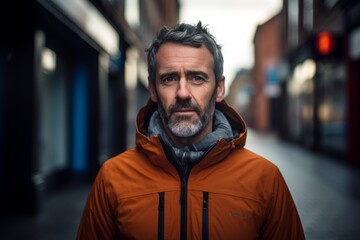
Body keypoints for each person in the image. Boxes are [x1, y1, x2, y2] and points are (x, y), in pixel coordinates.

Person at [76, 21, 305, 240]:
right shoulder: (112, 179)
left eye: (197, 78)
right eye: (169, 79)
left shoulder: (264, 180)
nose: (183, 93)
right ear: (153, 90)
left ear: (219, 88)